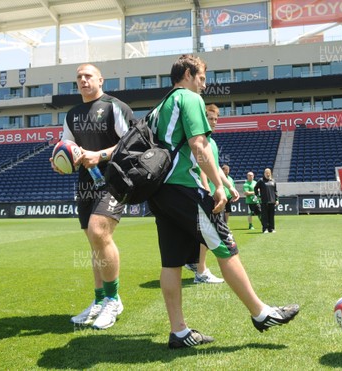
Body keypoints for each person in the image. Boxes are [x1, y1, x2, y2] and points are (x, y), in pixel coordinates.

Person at [147, 54, 299, 349]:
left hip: (160, 192)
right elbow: (199, 145)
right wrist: (218, 185)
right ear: (189, 74)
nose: (204, 85)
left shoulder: (159, 107)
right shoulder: (188, 99)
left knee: (172, 261)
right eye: (202, 77)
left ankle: (178, 331)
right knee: (224, 246)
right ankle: (260, 313)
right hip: (183, 188)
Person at [50, 63, 133, 329]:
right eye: (79, 77)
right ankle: (99, 300)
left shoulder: (114, 107)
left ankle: (113, 299)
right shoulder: (72, 114)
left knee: (99, 233)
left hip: (115, 179)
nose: (83, 80)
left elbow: (133, 142)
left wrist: (101, 155)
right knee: (94, 242)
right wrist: (62, 161)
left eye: (88, 76)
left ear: (100, 80)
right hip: (86, 183)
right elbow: (68, 146)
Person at [183, 104, 226, 284]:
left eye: (216, 119)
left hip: (211, 192)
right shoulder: (200, 140)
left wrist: (229, 187)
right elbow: (200, 165)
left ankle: (194, 263)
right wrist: (207, 188)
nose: (213, 122)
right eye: (210, 118)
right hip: (202, 191)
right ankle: (200, 271)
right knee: (208, 233)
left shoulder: (212, 142)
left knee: (206, 233)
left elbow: (214, 167)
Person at [254, 168, 279, 233]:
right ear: (264, 173)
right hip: (264, 201)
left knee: (271, 216)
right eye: (266, 173)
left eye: (269, 173)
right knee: (264, 216)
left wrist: (277, 199)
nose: (268, 174)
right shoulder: (261, 181)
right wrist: (258, 195)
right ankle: (265, 229)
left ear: (270, 173)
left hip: (272, 201)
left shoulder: (273, 181)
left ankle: (272, 229)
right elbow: (255, 188)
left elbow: (275, 191)